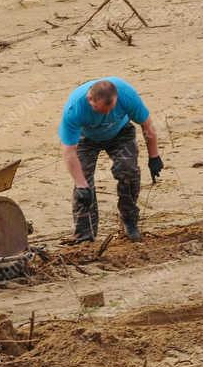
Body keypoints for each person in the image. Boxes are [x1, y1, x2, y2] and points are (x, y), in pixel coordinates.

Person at [58, 77, 163, 243]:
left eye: (110, 109)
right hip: (86, 139)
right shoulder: (75, 108)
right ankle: (84, 235)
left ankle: (129, 221)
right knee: (83, 186)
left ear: (116, 98)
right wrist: (80, 184)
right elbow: (69, 150)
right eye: (100, 111)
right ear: (89, 100)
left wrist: (154, 156)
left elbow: (148, 125)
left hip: (120, 133)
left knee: (128, 171)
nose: (106, 114)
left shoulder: (127, 95)